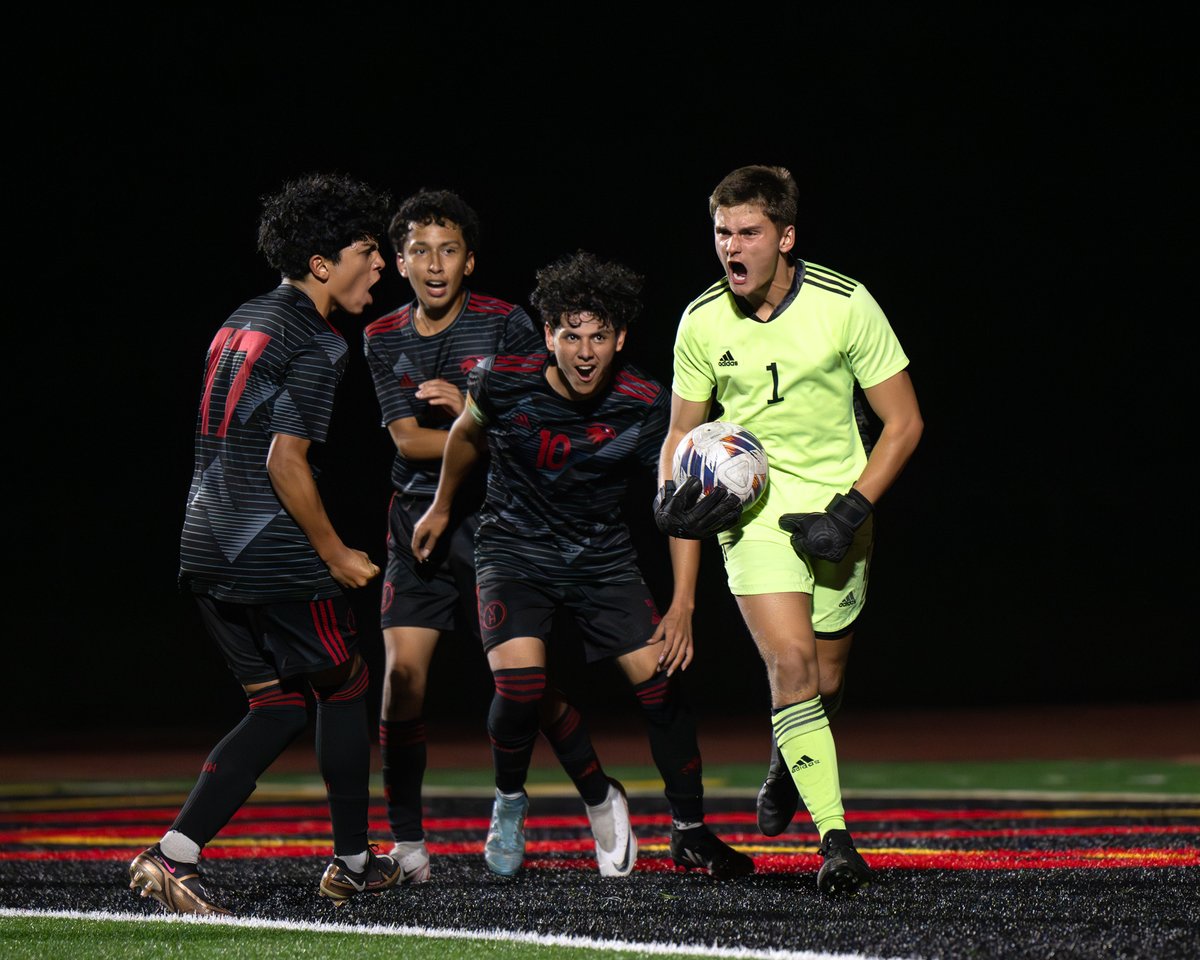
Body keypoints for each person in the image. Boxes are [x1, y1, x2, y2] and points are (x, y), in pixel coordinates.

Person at [413, 250, 755, 881]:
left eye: (600, 335)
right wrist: (439, 507)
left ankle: (689, 832)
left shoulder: (645, 402)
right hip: (513, 550)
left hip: (601, 557)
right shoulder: (502, 379)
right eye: (571, 335)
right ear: (548, 336)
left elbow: (676, 501)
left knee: (661, 683)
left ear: (620, 338)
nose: (585, 350)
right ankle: (521, 801)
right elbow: (464, 436)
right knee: (519, 688)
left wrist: (683, 605)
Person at [128, 173, 401, 915]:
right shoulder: (317, 338)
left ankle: (174, 855)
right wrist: (338, 552)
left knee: (278, 706)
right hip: (265, 548)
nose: (381, 266)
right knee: (344, 683)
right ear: (321, 263)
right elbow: (285, 460)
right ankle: (351, 864)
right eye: (367, 251)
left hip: (203, 540)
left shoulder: (241, 317)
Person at [654, 165, 923, 895]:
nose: (731, 249)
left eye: (748, 233)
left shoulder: (845, 303)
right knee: (792, 668)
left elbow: (904, 424)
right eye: (721, 234)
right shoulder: (702, 319)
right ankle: (835, 841)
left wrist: (852, 510)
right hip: (753, 519)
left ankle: (786, 759)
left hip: (838, 511)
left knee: (825, 681)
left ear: (786, 237)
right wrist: (667, 498)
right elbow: (680, 435)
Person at [363, 190, 626, 881]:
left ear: (469, 259)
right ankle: (409, 847)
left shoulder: (508, 324)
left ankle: (591, 795)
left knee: (525, 686)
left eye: (448, 249)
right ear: (399, 262)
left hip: (501, 522)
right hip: (415, 521)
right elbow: (409, 440)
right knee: (402, 681)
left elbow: (528, 431)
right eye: (419, 250)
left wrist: (472, 413)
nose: (435, 263)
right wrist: (468, 420)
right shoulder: (381, 335)